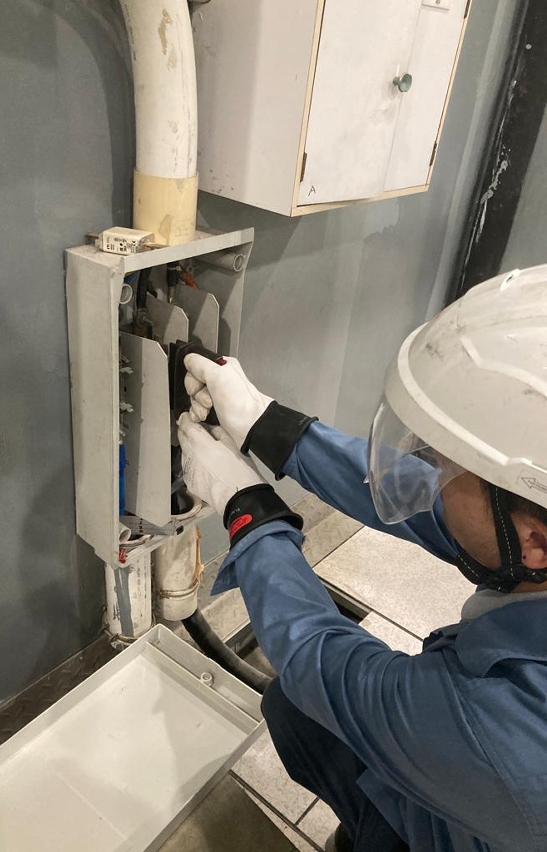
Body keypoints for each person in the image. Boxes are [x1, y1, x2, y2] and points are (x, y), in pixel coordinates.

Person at [176, 265, 547, 852]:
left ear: (535, 543)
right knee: (296, 712)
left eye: (450, 468)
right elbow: (424, 504)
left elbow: (325, 664)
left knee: (304, 701)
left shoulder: (518, 733)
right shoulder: (527, 543)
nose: (433, 472)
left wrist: (248, 510)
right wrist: (269, 426)